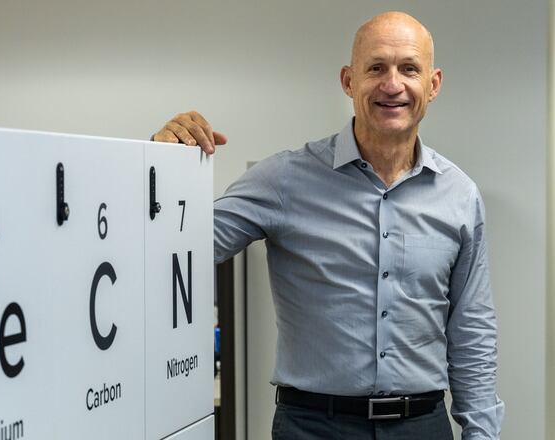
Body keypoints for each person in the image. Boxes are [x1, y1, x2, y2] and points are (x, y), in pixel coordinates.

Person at [152, 11, 504, 440]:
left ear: (433, 84)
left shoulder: (459, 195)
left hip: (421, 426)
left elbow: (471, 329)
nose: (392, 84)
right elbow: (176, 249)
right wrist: (160, 163)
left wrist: (481, 433)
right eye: (376, 68)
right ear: (348, 81)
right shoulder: (285, 180)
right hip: (314, 427)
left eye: (409, 69)